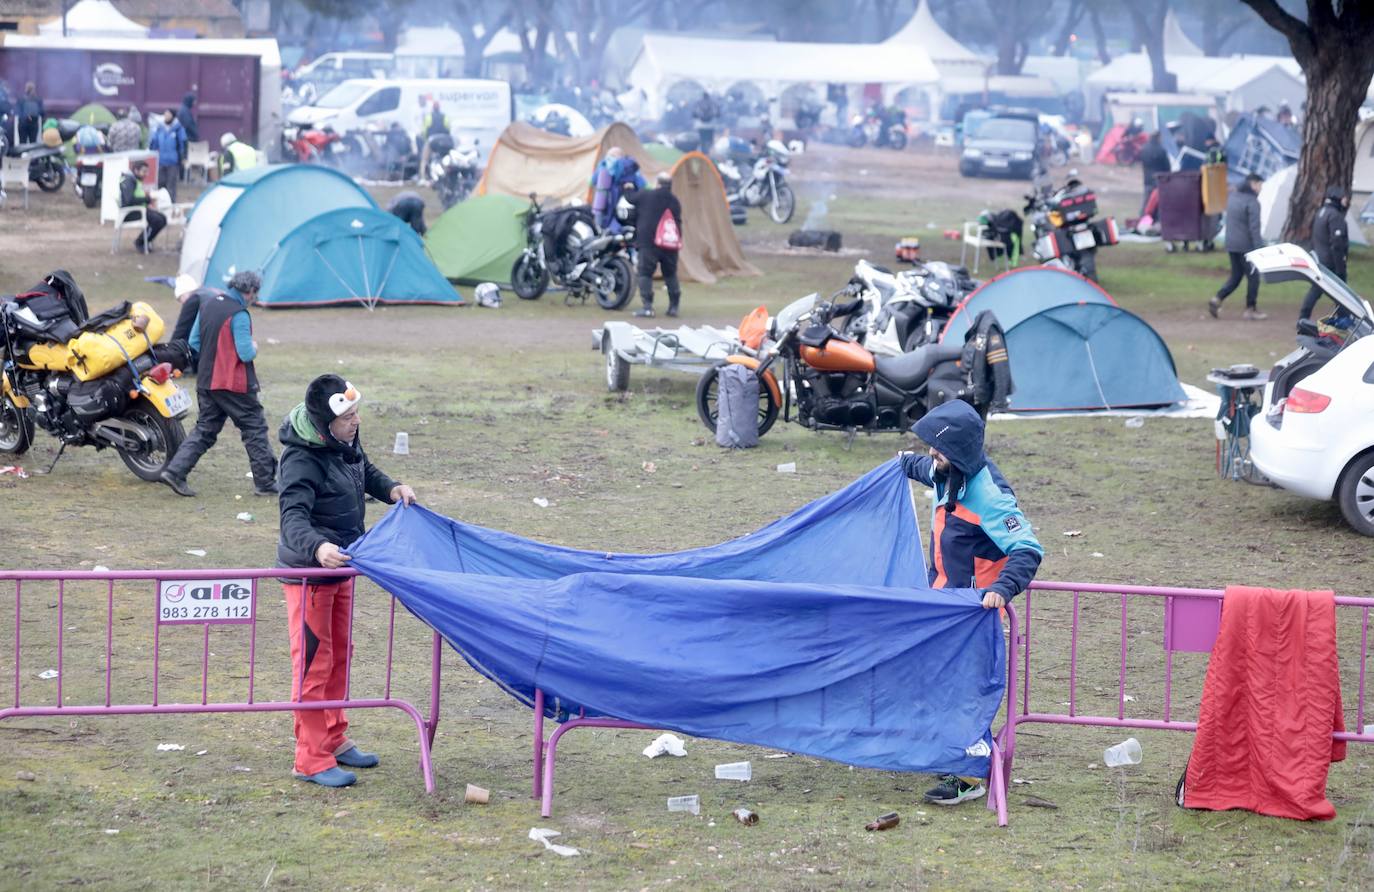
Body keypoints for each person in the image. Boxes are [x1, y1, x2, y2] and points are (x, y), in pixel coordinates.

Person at [898, 399, 1043, 806]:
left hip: (974, 613)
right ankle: (946, 751)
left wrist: (1002, 589)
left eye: (937, 448)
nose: (931, 454)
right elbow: (924, 469)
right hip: (942, 605)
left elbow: (1028, 548)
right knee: (938, 682)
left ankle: (970, 776)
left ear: (959, 452)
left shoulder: (990, 496)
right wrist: (900, 465)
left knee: (966, 690)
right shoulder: (948, 473)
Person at [276, 374, 416, 787]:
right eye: (347, 416)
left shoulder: (343, 442)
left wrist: (390, 488)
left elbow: (363, 470)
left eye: (356, 413)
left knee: (338, 656)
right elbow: (292, 519)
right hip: (311, 576)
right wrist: (318, 547)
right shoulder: (300, 459)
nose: (355, 421)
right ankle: (310, 758)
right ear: (325, 421)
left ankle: (334, 738)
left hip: (342, 567)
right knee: (313, 665)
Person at [159, 270, 277, 498]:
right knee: (254, 428)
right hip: (233, 385)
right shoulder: (239, 314)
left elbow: (194, 342)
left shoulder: (209, 304)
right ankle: (265, 482)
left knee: (205, 429)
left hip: (206, 380)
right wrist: (254, 347)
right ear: (250, 291)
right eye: (255, 294)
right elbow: (245, 353)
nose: (255, 298)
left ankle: (175, 471)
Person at [1209, 173, 1266, 321]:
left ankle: (1217, 298)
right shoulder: (1252, 201)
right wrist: (1260, 249)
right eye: (1260, 184)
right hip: (1245, 246)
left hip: (1231, 244)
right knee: (1253, 277)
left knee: (1236, 276)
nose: (1261, 188)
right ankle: (1250, 309)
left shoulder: (1233, 196)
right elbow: (1254, 228)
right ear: (1253, 184)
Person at [628, 171, 683, 318]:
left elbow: (630, 199)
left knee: (645, 273)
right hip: (670, 243)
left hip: (649, 242)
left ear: (657, 183)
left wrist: (627, 187)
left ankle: (647, 307)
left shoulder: (647, 195)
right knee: (670, 274)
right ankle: (673, 307)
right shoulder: (675, 201)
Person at [1300, 185, 1351, 321]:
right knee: (1342, 292)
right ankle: (1344, 318)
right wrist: (1340, 267)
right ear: (1338, 198)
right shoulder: (1335, 216)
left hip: (1320, 259)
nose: (1346, 201)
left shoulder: (1321, 212)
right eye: (1345, 198)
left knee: (1316, 290)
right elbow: (1337, 243)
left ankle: (1303, 317)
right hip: (1332, 261)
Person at [591, 147, 644, 231]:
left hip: (606, 203)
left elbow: (593, 181)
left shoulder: (606, 166)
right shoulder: (632, 167)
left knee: (600, 229)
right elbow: (641, 184)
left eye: (610, 155)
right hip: (626, 205)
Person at [119, 160, 165, 253]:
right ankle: (140, 242)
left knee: (163, 218)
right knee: (157, 220)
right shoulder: (128, 180)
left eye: (147, 172)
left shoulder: (135, 180)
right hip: (130, 213)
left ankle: (146, 240)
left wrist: (147, 201)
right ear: (136, 170)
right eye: (144, 171)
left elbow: (137, 196)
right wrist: (147, 199)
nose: (146, 174)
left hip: (139, 209)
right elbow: (129, 200)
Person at [149, 109, 187, 202]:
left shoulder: (178, 129)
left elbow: (183, 145)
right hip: (161, 161)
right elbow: (154, 144)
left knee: (171, 185)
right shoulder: (159, 128)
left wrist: (183, 158)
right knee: (160, 183)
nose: (166, 116)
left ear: (173, 117)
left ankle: (171, 203)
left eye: (168, 115)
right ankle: (160, 202)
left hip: (173, 162)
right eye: (165, 114)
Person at [170, 273, 209, 356]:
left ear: (183, 294)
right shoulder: (207, 293)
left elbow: (181, 330)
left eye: (180, 299)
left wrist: (169, 349)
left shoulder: (193, 300)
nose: (182, 303)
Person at [1138, 132, 1171, 216]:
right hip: (1159, 180)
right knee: (1158, 202)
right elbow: (1167, 167)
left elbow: (1141, 161)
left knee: (1146, 201)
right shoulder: (1161, 150)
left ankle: (1142, 218)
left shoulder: (1144, 148)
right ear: (1158, 138)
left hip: (1147, 179)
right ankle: (1156, 219)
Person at [418, 101, 452, 180]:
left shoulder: (428, 116)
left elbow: (424, 130)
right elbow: (448, 129)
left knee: (424, 159)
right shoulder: (445, 116)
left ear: (433, 108)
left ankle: (422, 177)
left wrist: (425, 138)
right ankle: (446, 175)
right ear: (439, 108)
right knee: (446, 158)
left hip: (432, 141)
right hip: (444, 141)